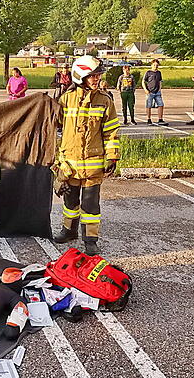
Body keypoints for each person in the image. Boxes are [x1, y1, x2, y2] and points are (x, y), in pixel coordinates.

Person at [52, 55, 120, 255]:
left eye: (98, 75)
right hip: (69, 165)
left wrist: (113, 156)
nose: (97, 78)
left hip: (92, 164)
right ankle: (68, 231)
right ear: (81, 76)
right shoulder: (66, 98)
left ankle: (90, 239)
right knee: (70, 202)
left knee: (91, 204)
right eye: (93, 75)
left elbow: (111, 132)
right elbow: (53, 125)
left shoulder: (105, 101)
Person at [143, 59, 166, 126]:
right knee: (149, 105)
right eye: (154, 65)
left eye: (157, 65)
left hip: (157, 92)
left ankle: (160, 119)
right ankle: (149, 119)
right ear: (151, 65)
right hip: (150, 92)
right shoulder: (148, 73)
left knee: (161, 105)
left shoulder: (159, 73)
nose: (155, 66)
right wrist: (145, 90)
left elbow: (160, 81)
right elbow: (143, 81)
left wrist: (159, 89)